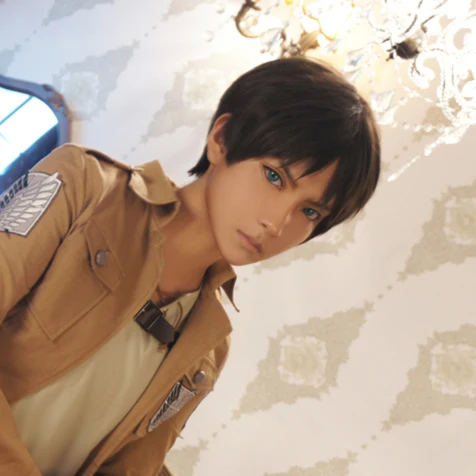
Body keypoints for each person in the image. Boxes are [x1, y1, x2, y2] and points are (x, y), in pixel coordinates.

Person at [0, 57, 380, 476]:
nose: (277, 223)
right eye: (274, 177)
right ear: (222, 139)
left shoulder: (209, 348)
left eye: (309, 212)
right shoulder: (85, 187)